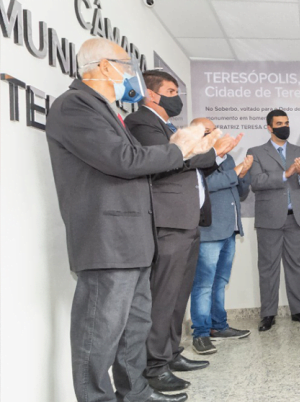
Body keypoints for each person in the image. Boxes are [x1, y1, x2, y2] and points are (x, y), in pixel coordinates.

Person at [46, 37, 217, 402]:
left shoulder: (106, 110)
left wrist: (185, 151)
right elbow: (124, 161)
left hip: (133, 239)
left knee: (135, 326)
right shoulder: (75, 105)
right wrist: (179, 147)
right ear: (104, 66)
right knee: (99, 332)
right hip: (107, 240)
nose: (132, 75)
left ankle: (135, 391)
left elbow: (137, 162)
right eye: (126, 66)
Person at [125, 70, 241, 392]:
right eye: (171, 90)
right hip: (169, 221)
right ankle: (155, 365)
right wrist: (212, 151)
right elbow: (169, 161)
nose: (177, 97)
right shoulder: (141, 123)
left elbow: (190, 163)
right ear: (152, 94)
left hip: (188, 221)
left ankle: (171, 353)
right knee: (163, 296)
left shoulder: (170, 127)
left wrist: (215, 153)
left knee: (178, 295)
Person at [245, 110, 300, 332]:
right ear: (269, 127)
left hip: (296, 217)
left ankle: (298, 310)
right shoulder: (256, 152)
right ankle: (268, 314)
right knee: (268, 267)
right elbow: (256, 182)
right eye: (279, 123)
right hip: (269, 218)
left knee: (296, 265)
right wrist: (287, 173)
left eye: (286, 122)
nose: (284, 126)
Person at [189, 118, 254, 355]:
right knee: (204, 285)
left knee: (220, 282)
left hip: (229, 229)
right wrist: (235, 172)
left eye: (214, 129)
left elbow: (240, 191)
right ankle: (200, 333)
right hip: (209, 231)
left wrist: (243, 173)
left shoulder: (227, 158)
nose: (214, 133)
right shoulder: (193, 158)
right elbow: (204, 185)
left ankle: (218, 326)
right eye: (207, 131)